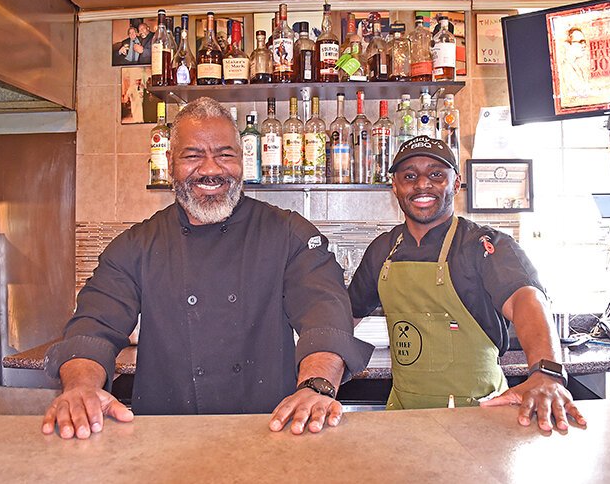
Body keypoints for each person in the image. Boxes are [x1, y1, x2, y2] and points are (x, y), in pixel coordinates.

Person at [42, 97, 373, 439]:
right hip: (164, 438)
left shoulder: (288, 233)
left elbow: (325, 312)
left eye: (225, 154)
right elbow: (93, 326)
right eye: (193, 156)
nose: (211, 169)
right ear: (170, 164)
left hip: (270, 431)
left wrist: (317, 387)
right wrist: (80, 387)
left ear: (243, 161)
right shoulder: (136, 245)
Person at [348, 135, 587, 432]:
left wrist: (546, 372)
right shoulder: (383, 250)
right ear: (395, 186)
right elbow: (346, 317)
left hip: (479, 416)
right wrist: (314, 376)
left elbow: (527, 300)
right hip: (402, 418)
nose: (422, 184)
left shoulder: (484, 245)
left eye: (436, 174)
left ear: (457, 183)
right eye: (409, 176)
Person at [560, 27, 590, 100]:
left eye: (584, 42)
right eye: (580, 42)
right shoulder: (565, 69)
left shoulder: (576, 66)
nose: (584, 45)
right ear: (567, 45)